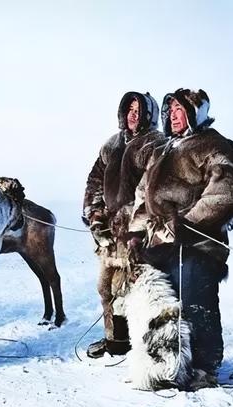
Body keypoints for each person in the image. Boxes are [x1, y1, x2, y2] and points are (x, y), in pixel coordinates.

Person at [128, 88, 233, 388]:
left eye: (180, 110)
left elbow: (225, 191)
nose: (173, 116)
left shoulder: (215, 145)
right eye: (170, 111)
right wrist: (136, 234)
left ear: (196, 113)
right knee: (165, 308)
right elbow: (144, 195)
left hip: (197, 244)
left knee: (196, 301)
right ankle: (171, 364)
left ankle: (206, 367)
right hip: (159, 243)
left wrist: (185, 224)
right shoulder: (163, 150)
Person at [83, 91, 166, 358]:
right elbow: (95, 181)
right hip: (109, 232)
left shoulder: (155, 143)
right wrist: (96, 215)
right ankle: (115, 341)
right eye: (129, 108)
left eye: (138, 109)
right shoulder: (111, 145)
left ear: (148, 114)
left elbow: (151, 188)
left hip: (138, 233)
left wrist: (135, 225)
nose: (133, 114)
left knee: (133, 289)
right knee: (106, 287)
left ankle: (139, 344)